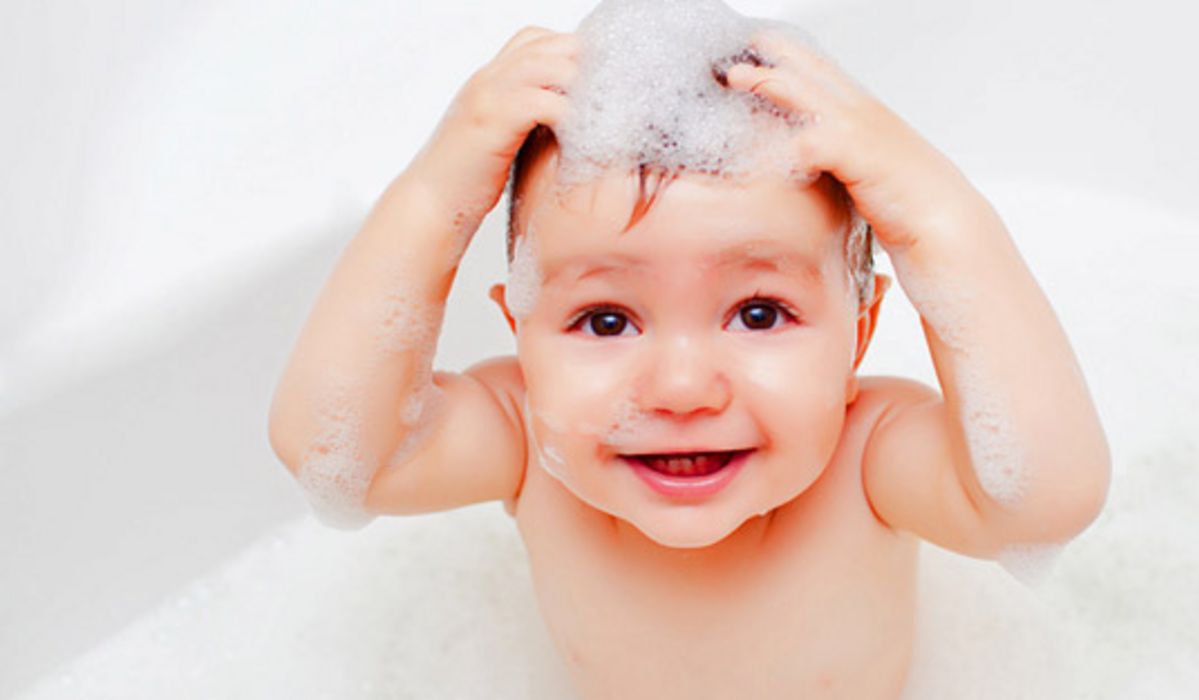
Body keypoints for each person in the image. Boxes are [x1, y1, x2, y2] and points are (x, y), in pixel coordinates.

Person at [268, 20, 1111, 699]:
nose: (679, 388)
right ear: (518, 335)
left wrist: (937, 214)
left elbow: (1040, 502)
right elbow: (340, 453)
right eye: (604, 321)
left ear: (857, 335)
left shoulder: (869, 454)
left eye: (757, 312)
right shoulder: (526, 437)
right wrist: (434, 193)